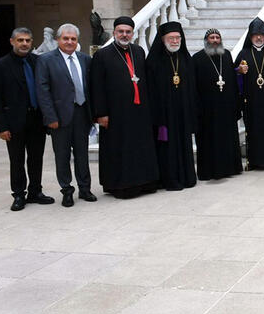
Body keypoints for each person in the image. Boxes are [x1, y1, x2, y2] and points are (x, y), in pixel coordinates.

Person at [90, 17, 161, 198]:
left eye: (128, 32)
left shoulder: (138, 51)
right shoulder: (102, 55)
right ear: (114, 32)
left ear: (132, 33)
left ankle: (144, 182)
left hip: (139, 111)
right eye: (120, 31)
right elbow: (96, 86)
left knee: (140, 146)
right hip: (116, 113)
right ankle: (120, 185)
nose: (124, 34)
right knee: (119, 148)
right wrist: (101, 113)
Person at [35, 24, 95, 206]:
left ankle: (85, 189)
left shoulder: (85, 59)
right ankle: (67, 190)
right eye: (65, 38)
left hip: (82, 113)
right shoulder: (46, 60)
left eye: (73, 39)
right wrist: (50, 117)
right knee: (62, 155)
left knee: (82, 154)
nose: (69, 42)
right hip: (59, 117)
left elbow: (90, 87)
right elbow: (42, 91)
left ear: (77, 41)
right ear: (58, 40)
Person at [0, 28, 54, 211]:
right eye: (20, 40)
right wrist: (1, 127)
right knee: (17, 159)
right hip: (14, 122)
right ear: (12, 41)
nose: (24, 44)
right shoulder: (0, 66)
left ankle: (35, 191)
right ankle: (19, 194)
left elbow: (47, 90)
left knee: (36, 158)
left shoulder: (39, 61)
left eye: (28, 40)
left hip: (37, 119)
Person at [145, 21, 197, 191]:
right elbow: (150, 90)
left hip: (182, 113)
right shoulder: (154, 62)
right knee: (167, 148)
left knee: (184, 144)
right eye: (171, 38)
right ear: (163, 39)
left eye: (178, 38)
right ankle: (169, 179)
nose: (175, 41)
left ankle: (187, 177)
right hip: (164, 115)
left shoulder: (186, 59)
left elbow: (192, 88)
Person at [192, 29, 242, 181]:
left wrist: (235, 105)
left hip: (226, 107)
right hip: (208, 109)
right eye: (211, 37)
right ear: (206, 40)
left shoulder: (226, 55)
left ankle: (230, 168)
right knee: (209, 141)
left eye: (217, 37)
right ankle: (209, 171)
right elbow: (194, 86)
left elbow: (232, 80)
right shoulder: (197, 58)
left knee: (227, 139)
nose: (214, 40)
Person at [234, 18, 264, 169]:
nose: (258, 37)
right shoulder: (243, 54)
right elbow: (232, 75)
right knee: (253, 131)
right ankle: (253, 161)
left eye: (262, 34)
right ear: (250, 36)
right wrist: (238, 71)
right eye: (255, 35)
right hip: (251, 101)